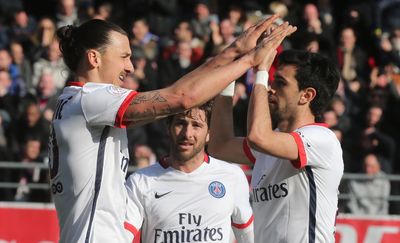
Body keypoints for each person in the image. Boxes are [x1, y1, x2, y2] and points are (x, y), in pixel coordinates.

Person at [49, 17, 296, 242]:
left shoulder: (81, 104)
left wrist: (233, 51)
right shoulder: (91, 100)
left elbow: (175, 93)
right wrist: (251, 60)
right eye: (124, 56)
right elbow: (182, 97)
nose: (131, 67)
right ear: (94, 58)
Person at [208, 49, 343, 242]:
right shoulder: (274, 141)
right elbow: (219, 146)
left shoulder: (321, 139)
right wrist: (230, 76)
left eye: (280, 83)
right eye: (271, 81)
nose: (270, 88)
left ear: (306, 96)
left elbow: (258, 136)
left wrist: (261, 71)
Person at [125, 102, 253, 243]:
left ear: (209, 134)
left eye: (196, 125)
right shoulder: (141, 181)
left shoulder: (232, 176)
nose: (187, 134)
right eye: (181, 123)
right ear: (169, 128)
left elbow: (248, 236)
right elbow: (120, 237)